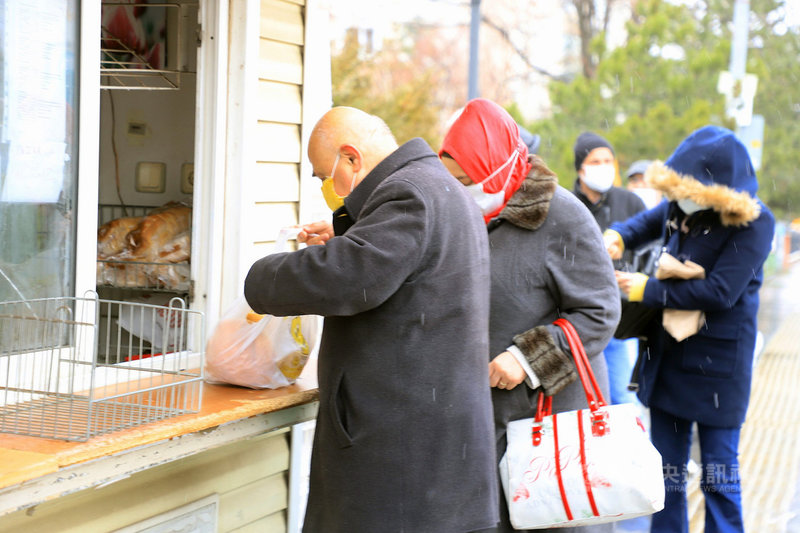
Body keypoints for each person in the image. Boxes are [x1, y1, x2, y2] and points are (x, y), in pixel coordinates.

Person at [244, 107, 499, 533]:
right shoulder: (439, 187)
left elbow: (351, 279)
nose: (327, 187)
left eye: (323, 174)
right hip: (434, 451)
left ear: (351, 158)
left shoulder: (408, 195)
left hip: (402, 459)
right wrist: (347, 236)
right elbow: (400, 272)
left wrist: (261, 277)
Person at [439, 98, 620, 533]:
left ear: (498, 168)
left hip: (551, 424)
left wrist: (526, 359)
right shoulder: (465, 213)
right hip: (484, 420)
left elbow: (600, 311)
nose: (461, 190)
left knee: (554, 520)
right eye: (452, 181)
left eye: (468, 179)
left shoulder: (562, 215)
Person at [605, 125, 775, 533]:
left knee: (719, 475)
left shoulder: (755, 224)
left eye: (688, 192)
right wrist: (617, 236)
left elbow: (719, 292)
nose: (678, 200)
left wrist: (649, 289)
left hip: (719, 368)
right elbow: (647, 222)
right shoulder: (682, 206)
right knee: (666, 475)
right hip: (670, 359)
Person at [572, 132, 646, 406]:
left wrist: (629, 270)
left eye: (608, 160)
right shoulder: (568, 206)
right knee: (585, 407)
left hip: (622, 321)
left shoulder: (631, 203)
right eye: (596, 161)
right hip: (577, 323)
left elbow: (651, 251)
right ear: (581, 167)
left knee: (625, 402)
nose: (604, 167)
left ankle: (635, 449)